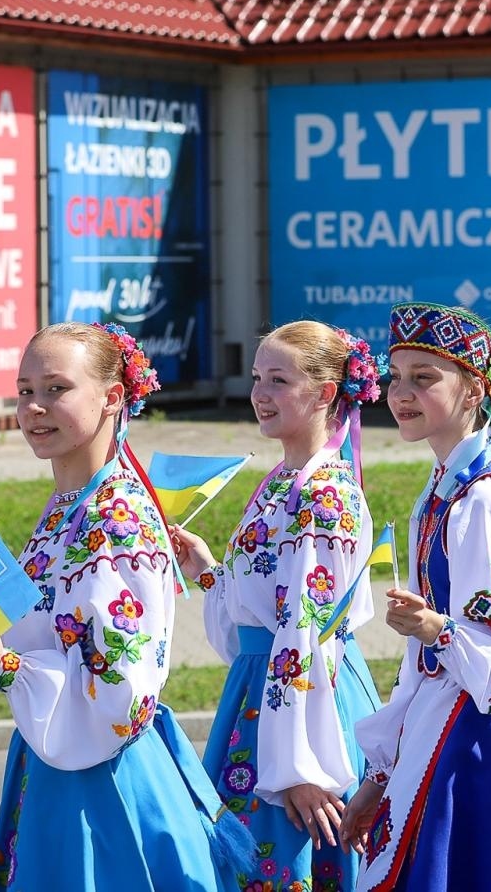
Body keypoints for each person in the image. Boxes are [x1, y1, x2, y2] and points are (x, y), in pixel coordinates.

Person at [0, 321, 252, 892]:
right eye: (24, 390)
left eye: (57, 389)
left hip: (98, 776)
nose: (34, 407)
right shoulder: (74, 500)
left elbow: (120, 684)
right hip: (59, 757)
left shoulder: (115, 518)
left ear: (113, 398)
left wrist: (3, 669)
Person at [338, 301, 491, 891]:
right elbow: (426, 663)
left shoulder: (483, 499)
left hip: (480, 739)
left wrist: (433, 629)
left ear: (474, 387)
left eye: (424, 378)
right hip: (445, 718)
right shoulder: (444, 488)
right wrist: (381, 772)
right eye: (396, 376)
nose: (403, 393)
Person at [170, 320, 385, 892]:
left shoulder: (326, 495)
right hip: (265, 695)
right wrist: (210, 572)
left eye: (279, 380)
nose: (260, 393)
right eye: (257, 378)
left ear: (323, 393)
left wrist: (298, 770)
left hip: (304, 706)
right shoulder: (280, 480)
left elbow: (308, 632)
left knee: (285, 862)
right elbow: (262, 617)